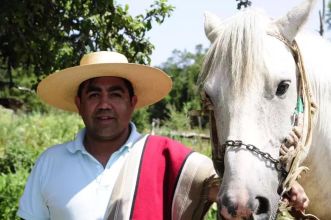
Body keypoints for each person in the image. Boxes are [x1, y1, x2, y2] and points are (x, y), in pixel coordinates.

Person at [17, 51, 309, 220]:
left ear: (133, 102)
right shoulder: (50, 163)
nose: (104, 104)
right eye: (94, 94)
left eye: (115, 94)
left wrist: (284, 188)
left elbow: (231, 184)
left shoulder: (171, 159)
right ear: (79, 103)